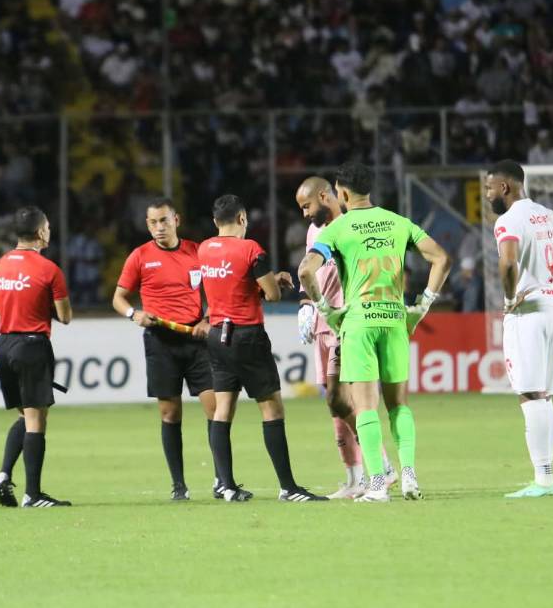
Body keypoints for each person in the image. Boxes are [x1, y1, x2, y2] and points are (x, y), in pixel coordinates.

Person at [299, 162, 451, 503]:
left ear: (342, 192)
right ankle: (409, 476)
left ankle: (378, 485)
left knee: (366, 407)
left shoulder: (338, 229)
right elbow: (441, 258)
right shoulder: (399, 222)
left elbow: (306, 271)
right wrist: (423, 305)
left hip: (359, 323)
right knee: (399, 405)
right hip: (395, 320)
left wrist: (325, 310)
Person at [199, 194, 326, 503]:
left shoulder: (204, 249)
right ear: (242, 218)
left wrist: (264, 280)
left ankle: (226, 486)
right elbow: (272, 295)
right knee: (271, 408)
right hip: (247, 336)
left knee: (223, 409)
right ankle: (288, 488)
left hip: (217, 335)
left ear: (216, 222)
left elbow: (231, 283)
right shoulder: (251, 249)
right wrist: (274, 280)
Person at [483, 160, 553, 498]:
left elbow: (508, 262)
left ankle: (544, 480)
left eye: (489, 188)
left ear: (504, 187)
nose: (486, 194)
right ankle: (545, 477)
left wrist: (509, 298)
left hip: (528, 310)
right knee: (542, 395)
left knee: (531, 395)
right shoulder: (547, 215)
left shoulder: (508, 220)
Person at [295, 176, 397, 499]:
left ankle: (382, 465)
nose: (305, 214)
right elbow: (310, 271)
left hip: (346, 322)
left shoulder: (354, 226)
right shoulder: (314, 231)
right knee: (336, 404)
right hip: (322, 324)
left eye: (307, 206)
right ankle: (354, 478)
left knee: (341, 399)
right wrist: (305, 305)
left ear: (325, 195)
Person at [112, 198, 215, 502]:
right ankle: (179, 485)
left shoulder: (198, 251)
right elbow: (118, 298)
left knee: (216, 409)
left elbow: (217, 292)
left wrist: (208, 319)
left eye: (164, 220)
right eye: (154, 222)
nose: (159, 227)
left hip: (196, 339)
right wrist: (133, 314)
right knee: (170, 413)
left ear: (176, 220)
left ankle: (223, 480)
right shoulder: (140, 256)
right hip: (160, 342)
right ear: (148, 225)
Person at [0, 206, 74, 508]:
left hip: (4, 345)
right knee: (36, 421)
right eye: (48, 227)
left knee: (26, 416)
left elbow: (0, 314)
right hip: (32, 345)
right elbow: (65, 316)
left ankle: (3, 474)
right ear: (40, 232)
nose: (49, 232)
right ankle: (33, 495)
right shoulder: (49, 269)